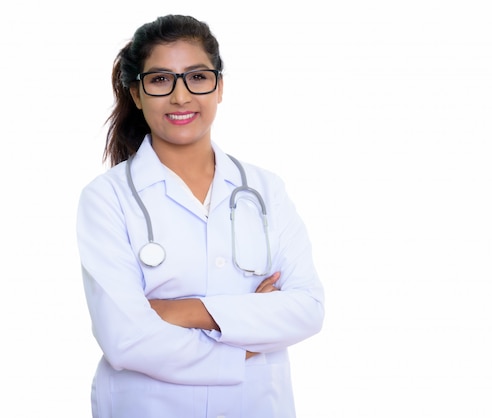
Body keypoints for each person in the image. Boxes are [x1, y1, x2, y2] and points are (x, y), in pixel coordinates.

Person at [76, 14, 325, 418]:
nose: (181, 97)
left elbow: (307, 309)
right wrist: (247, 340)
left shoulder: (265, 190)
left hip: (256, 405)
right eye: (160, 80)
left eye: (197, 77)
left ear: (220, 87)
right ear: (137, 94)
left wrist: (184, 310)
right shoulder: (107, 198)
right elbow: (125, 338)